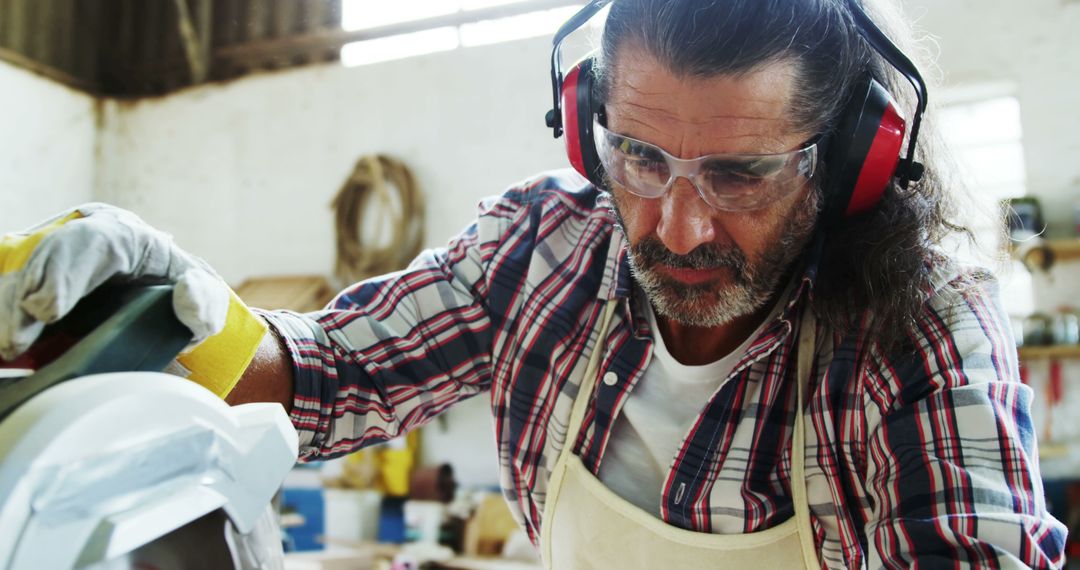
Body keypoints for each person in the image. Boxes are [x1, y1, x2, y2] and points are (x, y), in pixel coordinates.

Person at [0, 0, 1067, 567]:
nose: (678, 224)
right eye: (640, 157)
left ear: (847, 160)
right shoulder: (539, 250)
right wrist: (172, 296)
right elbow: (325, 378)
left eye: (739, 174)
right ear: (584, 123)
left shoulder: (913, 318)